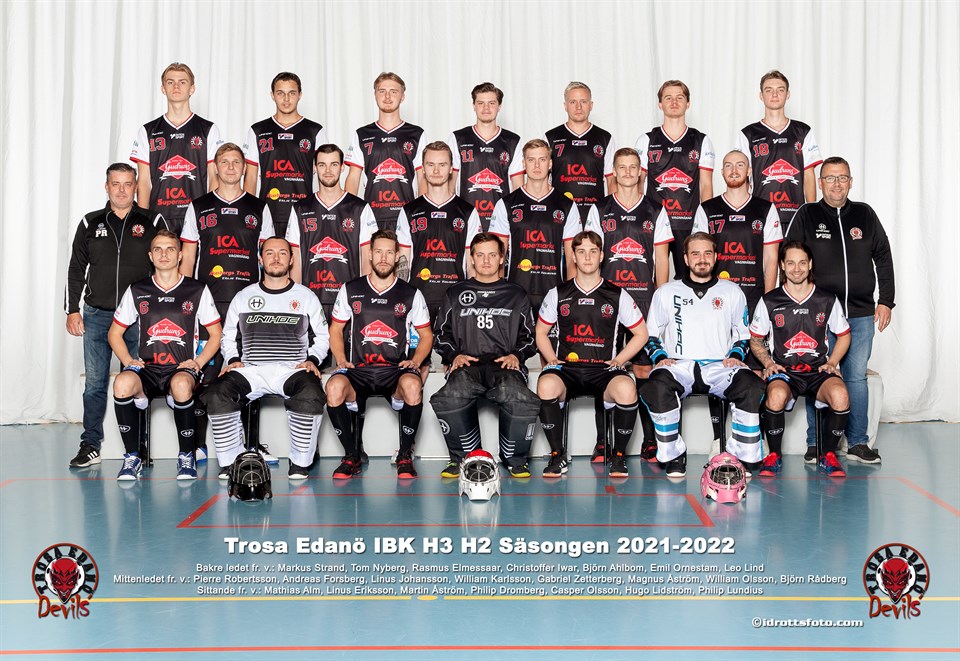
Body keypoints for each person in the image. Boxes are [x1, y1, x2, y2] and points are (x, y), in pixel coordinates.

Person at [785, 157, 894, 464]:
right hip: (819, 315)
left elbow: (883, 256)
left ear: (850, 182)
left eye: (842, 178)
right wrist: (795, 302)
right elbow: (790, 256)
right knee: (817, 375)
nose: (836, 184)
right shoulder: (807, 214)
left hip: (860, 313)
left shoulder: (865, 214)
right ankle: (815, 442)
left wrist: (886, 300)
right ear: (820, 183)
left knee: (856, 378)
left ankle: (858, 442)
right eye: (830, 178)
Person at [66, 163, 168, 468]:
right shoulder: (90, 222)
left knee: (137, 381)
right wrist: (72, 310)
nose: (122, 190)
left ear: (136, 187)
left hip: (138, 319)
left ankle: (138, 446)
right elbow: (75, 268)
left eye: (127, 184)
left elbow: (167, 263)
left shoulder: (152, 221)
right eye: (116, 184)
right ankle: (90, 444)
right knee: (95, 384)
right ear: (107, 187)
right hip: (96, 315)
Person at [638, 232, 766, 477]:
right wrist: (660, 358)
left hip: (719, 365)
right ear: (686, 259)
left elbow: (742, 333)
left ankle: (741, 456)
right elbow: (651, 334)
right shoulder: (666, 292)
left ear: (716, 257)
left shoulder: (732, 291)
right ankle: (674, 455)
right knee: (655, 386)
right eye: (695, 254)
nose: (702, 259)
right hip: (680, 365)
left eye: (707, 253)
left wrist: (736, 355)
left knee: (751, 385)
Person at [201, 237, 330, 479]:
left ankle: (299, 463)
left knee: (311, 393)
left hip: (291, 370)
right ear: (260, 259)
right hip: (251, 370)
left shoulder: (306, 296)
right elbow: (228, 335)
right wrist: (233, 359)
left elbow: (323, 337)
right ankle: (232, 462)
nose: (276, 258)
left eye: (282, 253)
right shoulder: (244, 296)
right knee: (217, 392)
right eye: (269, 253)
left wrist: (312, 360)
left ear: (291, 260)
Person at [179, 142, 276, 462]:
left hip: (250, 305)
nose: (231, 167)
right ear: (216, 168)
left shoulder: (259, 207)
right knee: (205, 371)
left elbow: (268, 257)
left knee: (249, 371)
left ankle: (252, 444)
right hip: (208, 302)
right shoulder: (199, 206)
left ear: (244, 168)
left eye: (236, 162)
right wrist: (185, 299)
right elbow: (188, 255)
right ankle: (198, 443)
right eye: (225, 162)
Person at [108, 230, 222, 481]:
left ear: (180, 255)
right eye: (158, 249)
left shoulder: (196, 289)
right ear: (150, 256)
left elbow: (216, 334)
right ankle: (132, 458)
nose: (164, 254)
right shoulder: (138, 289)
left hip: (180, 368)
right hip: (148, 369)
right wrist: (128, 361)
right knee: (122, 383)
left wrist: (198, 362)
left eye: (170, 249)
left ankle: (186, 456)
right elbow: (114, 333)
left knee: (181, 385)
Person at [583, 147, 673, 463]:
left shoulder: (655, 210)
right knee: (604, 369)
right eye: (621, 167)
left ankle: (650, 441)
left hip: (644, 298)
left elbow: (662, 259)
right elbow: (591, 256)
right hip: (607, 300)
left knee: (645, 369)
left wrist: (660, 299)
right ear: (614, 171)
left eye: (633, 167)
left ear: (640, 171)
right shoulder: (599, 209)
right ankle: (602, 442)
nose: (627, 172)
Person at [536, 231, 648, 478]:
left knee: (627, 389)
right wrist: (551, 359)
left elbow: (641, 333)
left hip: (604, 371)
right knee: (545, 385)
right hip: (568, 370)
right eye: (581, 251)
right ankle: (557, 455)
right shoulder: (558, 293)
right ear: (574, 257)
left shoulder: (617, 294)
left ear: (601, 256)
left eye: (593, 251)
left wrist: (619, 360)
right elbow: (541, 332)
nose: (587, 257)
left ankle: (618, 456)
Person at [325, 229, 433, 479]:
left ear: (397, 256)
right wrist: (341, 360)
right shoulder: (351, 289)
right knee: (333, 388)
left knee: (413, 386)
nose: (383, 258)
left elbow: (426, 335)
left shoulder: (410, 293)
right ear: (370, 255)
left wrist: (416, 362)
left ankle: (404, 455)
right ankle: (351, 456)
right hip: (358, 370)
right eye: (378, 252)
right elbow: (336, 329)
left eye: (389, 252)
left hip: (394, 371)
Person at [431, 233, 540, 478]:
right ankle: (464, 459)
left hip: (504, 364)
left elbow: (530, 337)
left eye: (492, 255)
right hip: (467, 363)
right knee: (451, 395)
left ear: (502, 258)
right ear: (471, 258)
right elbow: (440, 335)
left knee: (518, 395)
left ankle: (515, 459)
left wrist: (517, 355)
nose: (486, 260)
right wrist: (454, 355)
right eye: (480, 255)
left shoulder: (516, 294)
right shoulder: (455, 293)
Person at [749, 241, 851, 477]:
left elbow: (844, 335)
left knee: (841, 395)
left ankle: (828, 455)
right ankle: (774, 455)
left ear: (810, 264)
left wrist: (832, 363)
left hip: (818, 371)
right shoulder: (770, 301)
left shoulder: (827, 299)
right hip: (785, 372)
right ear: (782, 266)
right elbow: (755, 339)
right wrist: (768, 364)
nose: (797, 269)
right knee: (775, 396)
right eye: (791, 263)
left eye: (802, 263)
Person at [287, 144, 379, 324]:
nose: (328, 171)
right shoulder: (300, 208)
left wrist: (364, 297)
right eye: (322, 165)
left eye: (334, 164)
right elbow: (295, 256)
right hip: (311, 299)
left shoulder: (360, 208)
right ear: (315, 168)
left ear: (343, 167)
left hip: (348, 301)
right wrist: (296, 297)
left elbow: (367, 257)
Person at [488, 139, 582, 312]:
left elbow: (572, 258)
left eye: (542, 159)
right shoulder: (506, 204)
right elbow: (496, 255)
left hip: (554, 293)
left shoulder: (566, 205)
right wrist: (498, 293)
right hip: (515, 294)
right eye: (531, 160)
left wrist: (570, 296)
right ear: (524, 164)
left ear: (550, 164)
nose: (537, 165)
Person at [635, 80, 715, 277]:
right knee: (651, 276)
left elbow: (706, 185)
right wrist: (639, 219)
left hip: (688, 223)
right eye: (668, 98)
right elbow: (638, 183)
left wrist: (705, 225)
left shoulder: (701, 140)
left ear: (688, 103)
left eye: (680, 97)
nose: (674, 102)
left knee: (690, 278)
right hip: (654, 221)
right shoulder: (646, 140)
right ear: (660, 104)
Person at [130, 62, 222, 234]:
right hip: (159, 216)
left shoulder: (208, 129)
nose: (176, 86)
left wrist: (208, 213)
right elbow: (143, 181)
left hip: (196, 216)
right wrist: (144, 219)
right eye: (170, 82)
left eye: (182, 82)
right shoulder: (148, 131)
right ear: (163, 88)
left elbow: (214, 177)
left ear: (192, 89)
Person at [397, 141, 481, 321]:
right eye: (430, 165)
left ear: (451, 168)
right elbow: (403, 260)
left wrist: (473, 298)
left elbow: (472, 262)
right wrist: (402, 296)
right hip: (418, 299)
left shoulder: (467, 211)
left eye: (442, 165)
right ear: (423, 168)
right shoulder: (409, 211)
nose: (436, 171)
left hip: (457, 298)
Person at [693, 150, 782, 316]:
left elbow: (771, 258)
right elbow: (699, 256)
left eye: (740, 165)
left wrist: (768, 301)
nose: (733, 170)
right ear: (722, 172)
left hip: (753, 297)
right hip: (716, 296)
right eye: (728, 166)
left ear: (749, 171)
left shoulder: (766, 209)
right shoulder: (706, 209)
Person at [243, 72, 327, 238]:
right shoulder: (257, 130)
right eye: (281, 93)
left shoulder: (315, 130)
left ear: (300, 95)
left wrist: (322, 211)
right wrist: (249, 212)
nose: (286, 99)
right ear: (272, 95)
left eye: (292, 93)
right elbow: (250, 177)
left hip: (304, 212)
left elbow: (324, 175)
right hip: (268, 213)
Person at [736, 70, 822, 226]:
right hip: (759, 214)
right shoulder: (747, 134)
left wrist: (811, 213)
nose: (774, 94)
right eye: (769, 90)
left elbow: (809, 176)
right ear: (761, 96)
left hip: (795, 214)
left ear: (788, 94)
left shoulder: (803, 131)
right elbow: (742, 178)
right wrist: (743, 212)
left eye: (780, 90)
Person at [345, 72, 426, 230]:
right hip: (372, 217)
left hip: (406, 216)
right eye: (382, 91)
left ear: (402, 97)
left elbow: (422, 177)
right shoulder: (362, 134)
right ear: (375, 95)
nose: (387, 97)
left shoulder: (416, 134)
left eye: (393, 92)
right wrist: (349, 211)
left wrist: (421, 211)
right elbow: (353, 177)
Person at [446, 82, 524, 228]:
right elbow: (450, 185)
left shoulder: (513, 141)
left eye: (491, 103)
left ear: (499, 106)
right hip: (466, 219)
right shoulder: (458, 138)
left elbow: (517, 188)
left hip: (501, 221)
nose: (486, 108)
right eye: (481, 103)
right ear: (474, 106)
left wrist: (514, 222)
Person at [545, 82, 617, 206]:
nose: (578, 107)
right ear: (565, 106)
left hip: (594, 212)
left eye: (583, 101)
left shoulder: (605, 138)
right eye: (573, 102)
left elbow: (611, 181)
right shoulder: (550, 137)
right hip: (559, 212)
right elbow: (542, 179)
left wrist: (610, 211)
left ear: (591, 105)